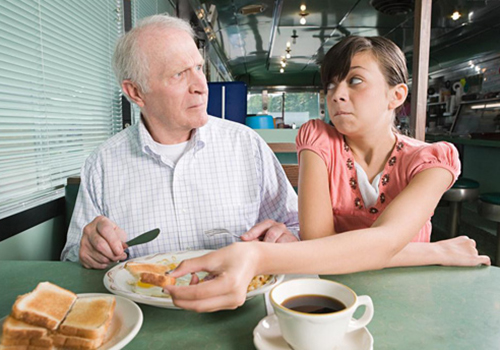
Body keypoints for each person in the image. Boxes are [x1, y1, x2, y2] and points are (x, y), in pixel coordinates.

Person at [163, 36, 491, 312]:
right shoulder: (319, 141)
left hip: (407, 295)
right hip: (331, 294)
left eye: (355, 81)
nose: (337, 94)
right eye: (331, 84)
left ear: (397, 95)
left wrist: (259, 256)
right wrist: (433, 251)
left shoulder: (431, 162)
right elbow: (319, 245)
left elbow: (383, 242)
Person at [61, 15, 299, 269]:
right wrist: (88, 250)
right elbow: (74, 256)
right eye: (178, 74)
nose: (201, 85)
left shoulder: (246, 145)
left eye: (198, 68)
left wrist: (286, 238)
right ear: (136, 92)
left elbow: (294, 226)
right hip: (141, 305)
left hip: (237, 303)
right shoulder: (102, 165)